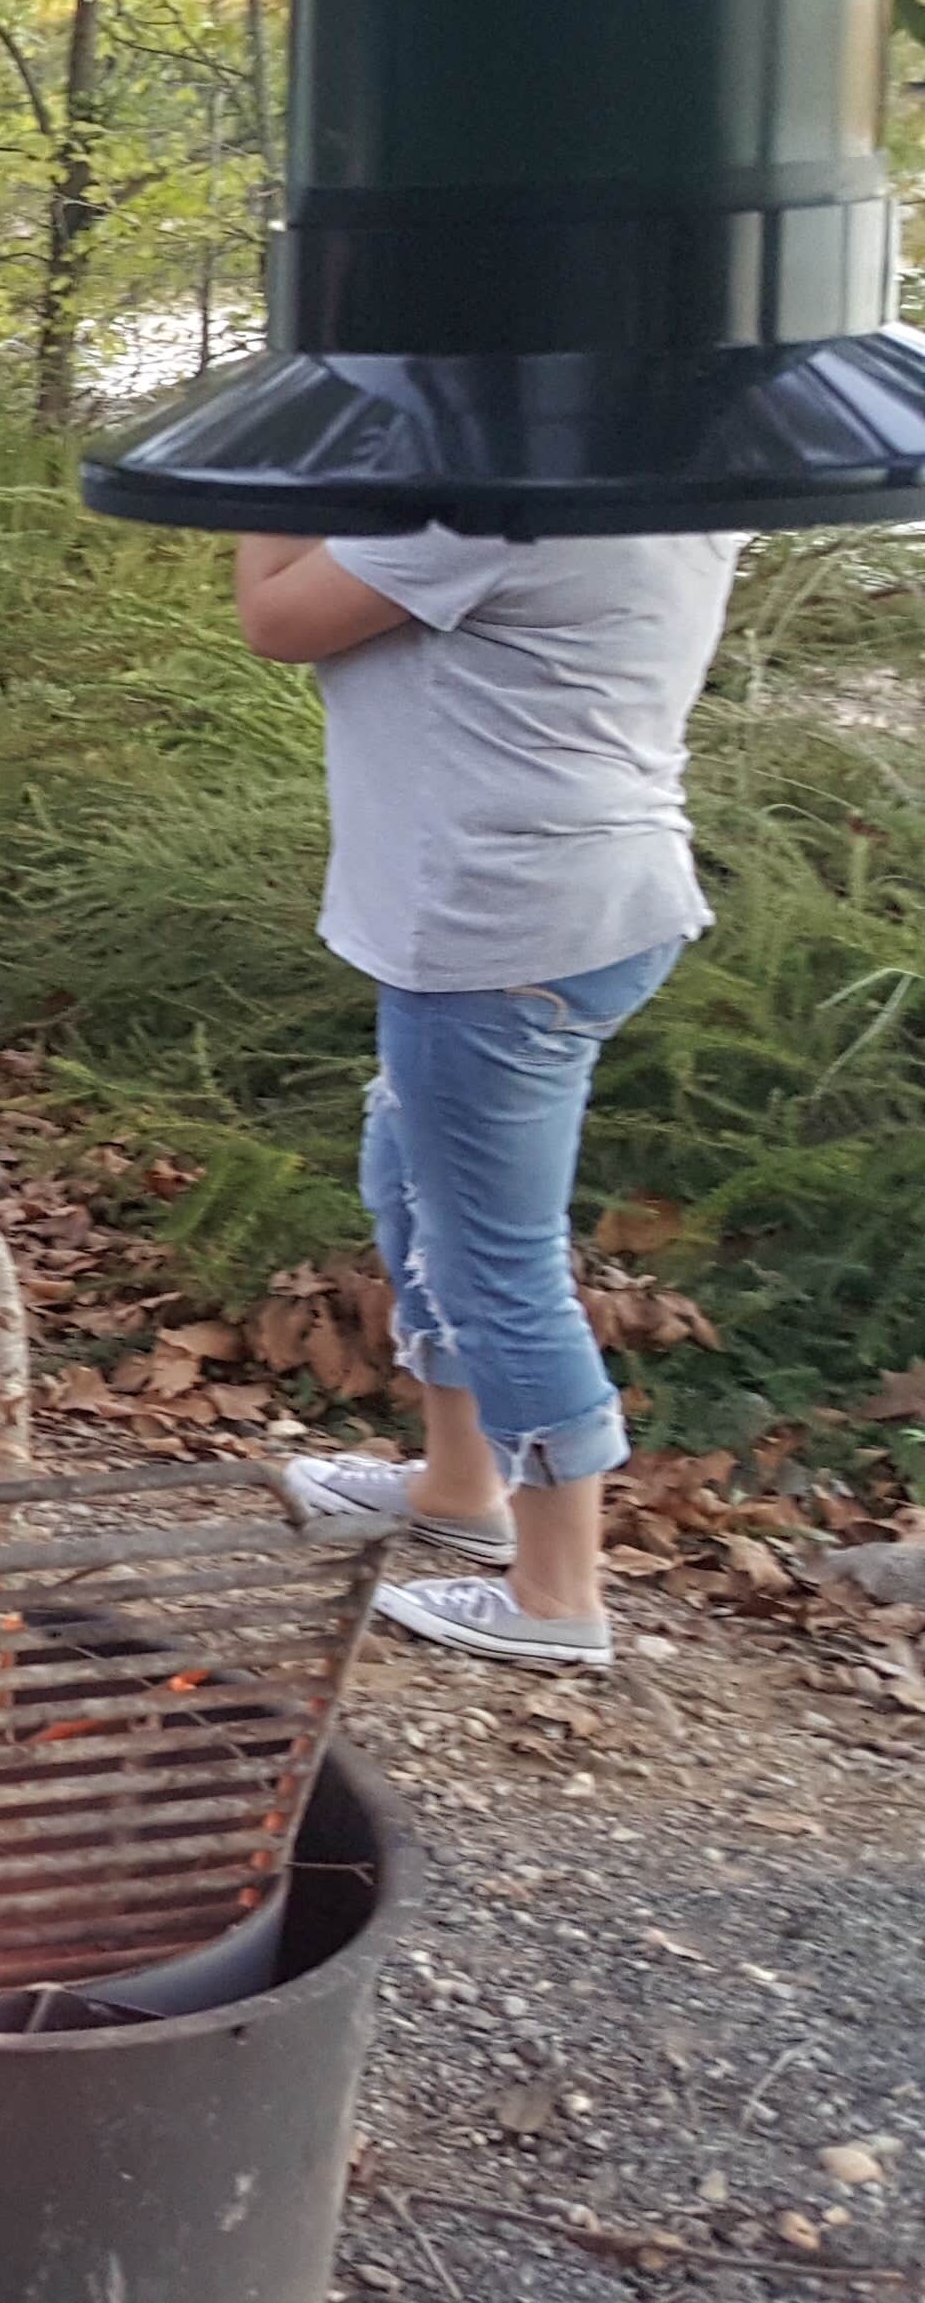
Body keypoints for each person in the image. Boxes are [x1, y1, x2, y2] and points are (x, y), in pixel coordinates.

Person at [245, 524, 741, 1668]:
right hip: (565, 904)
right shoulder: (665, 487)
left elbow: (276, 618)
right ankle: (458, 1484)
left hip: (496, 928)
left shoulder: (486, 516)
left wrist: (264, 470)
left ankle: (556, 1591)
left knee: (488, 1259)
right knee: (412, 1184)